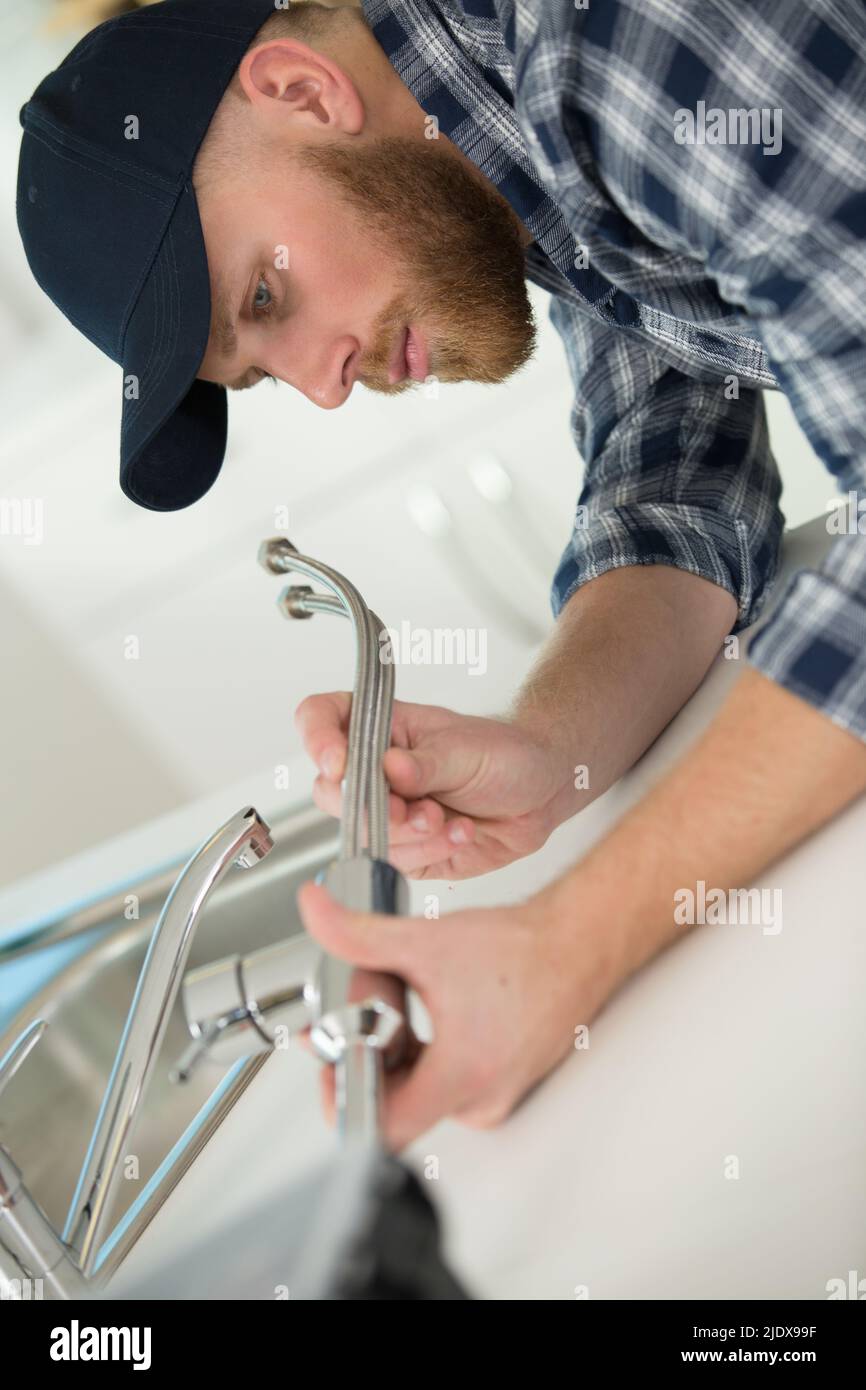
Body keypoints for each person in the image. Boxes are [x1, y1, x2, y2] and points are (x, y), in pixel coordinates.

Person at [17, 0, 866, 1147]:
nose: (322, 386)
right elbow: (673, 478)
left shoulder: (609, 40)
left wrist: (562, 948)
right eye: (261, 369)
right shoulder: (496, 158)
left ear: (303, 92)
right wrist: (547, 749)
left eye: (263, 299)